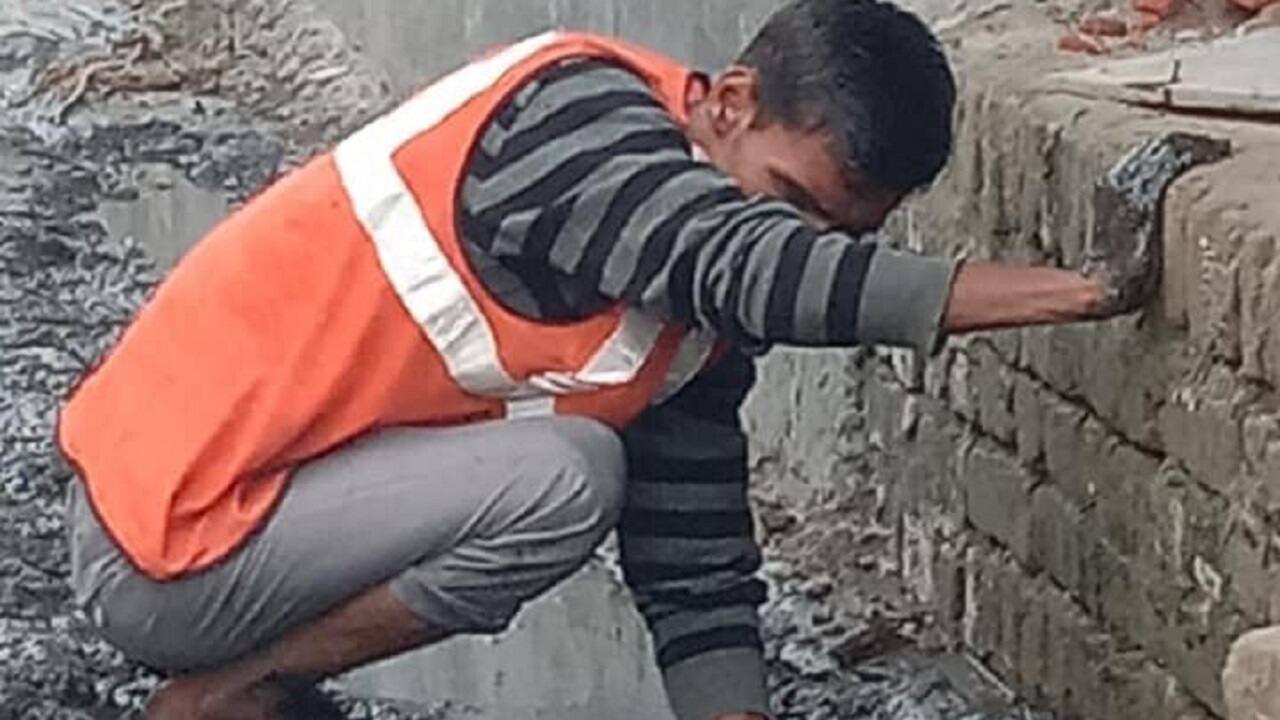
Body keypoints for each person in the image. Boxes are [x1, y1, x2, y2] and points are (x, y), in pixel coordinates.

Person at [58, 1, 1144, 718]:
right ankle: (233, 693)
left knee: (598, 470)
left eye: (837, 235)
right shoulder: (574, 119)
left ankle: (237, 687)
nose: (801, 243)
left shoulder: (687, 306)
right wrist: (1083, 290)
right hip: (166, 545)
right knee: (565, 477)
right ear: (728, 102)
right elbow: (741, 263)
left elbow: (693, 547)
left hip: (252, 519)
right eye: (791, 203)